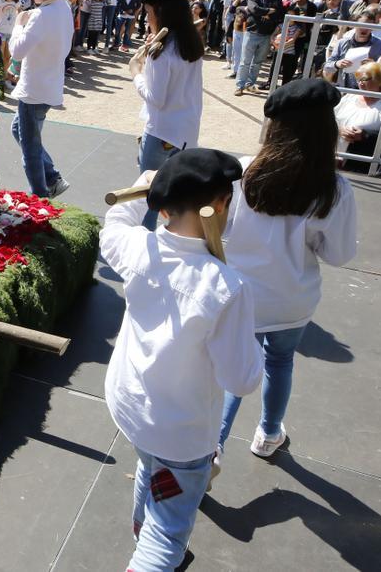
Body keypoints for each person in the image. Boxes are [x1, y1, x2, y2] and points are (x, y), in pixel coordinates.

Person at [102, 147, 263, 572]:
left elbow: (114, 223)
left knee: (150, 468)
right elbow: (241, 380)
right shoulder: (227, 286)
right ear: (221, 205)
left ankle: (142, 533)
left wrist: (141, 188)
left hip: (131, 406)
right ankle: (152, 553)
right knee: (169, 530)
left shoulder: (138, 248)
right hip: (181, 431)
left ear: (162, 205)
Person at [219, 79, 357, 461]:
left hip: (241, 292)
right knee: (279, 362)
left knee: (233, 368)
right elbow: (339, 255)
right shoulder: (334, 188)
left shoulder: (245, 170)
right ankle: (267, 433)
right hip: (292, 301)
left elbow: (224, 226)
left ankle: (212, 446)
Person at [128, 0, 205, 230]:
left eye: (149, 13)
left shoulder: (161, 52)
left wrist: (136, 73)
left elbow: (156, 97)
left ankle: (144, 241)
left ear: (162, 13)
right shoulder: (191, 42)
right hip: (185, 131)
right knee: (171, 194)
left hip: (161, 130)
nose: (146, 18)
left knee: (150, 194)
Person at [9, 0, 72, 198]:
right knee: (20, 131)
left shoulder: (39, 15)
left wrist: (18, 24)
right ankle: (53, 177)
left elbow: (17, 51)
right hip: (49, 86)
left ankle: (40, 196)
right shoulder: (61, 7)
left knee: (30, 149)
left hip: (34, 90)